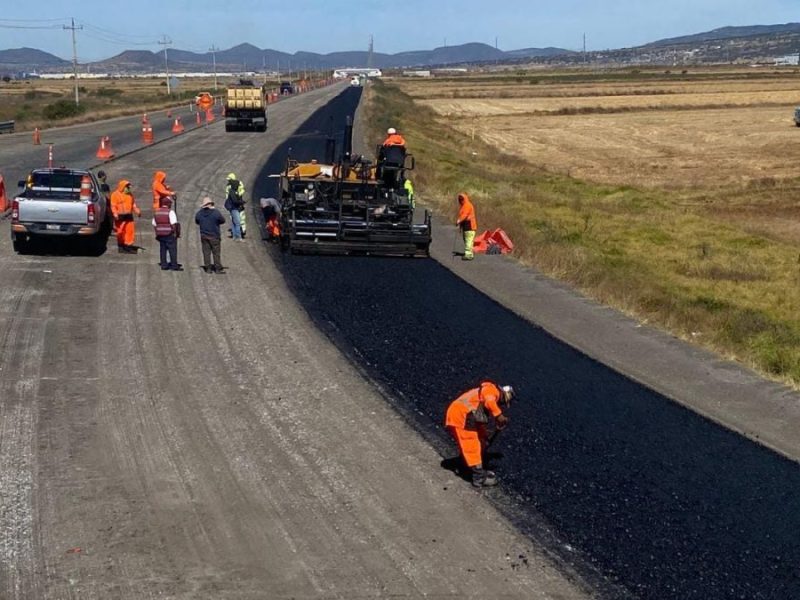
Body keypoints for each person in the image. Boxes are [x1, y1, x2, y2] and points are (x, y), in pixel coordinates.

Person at [445, 382, 514, 487]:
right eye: (505, 402)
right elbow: (489, 402)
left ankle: (464, 463)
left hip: (464, 415)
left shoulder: (484, 395)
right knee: (472, 446)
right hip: (461, 416)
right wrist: (499, 416)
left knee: (481, 440)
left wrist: (485, 436)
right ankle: (479, 477)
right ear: (506, 395)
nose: (503, 404)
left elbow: (478, 418)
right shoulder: (492, 390)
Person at [195, 196, 226, 273]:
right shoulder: (216, 213)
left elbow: (197, 221)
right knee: (216, 253)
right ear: (210, 204)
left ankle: (208, 268)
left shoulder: (199, 213)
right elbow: (222, 220)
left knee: (206, 252)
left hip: (204, 236)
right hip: (214, 236)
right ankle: (217, 268)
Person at [110, 179, 141, 253]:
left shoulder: (130, 195)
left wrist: (137, 211)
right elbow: (113, 206)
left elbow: (133, 205)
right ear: (123, 187)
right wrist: (115, 214)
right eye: (127, 187)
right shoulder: (115, 195)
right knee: (120, 232)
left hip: (129, 216)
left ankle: (128, 246)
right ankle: (121, 247)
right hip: (120, 217)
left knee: (130, 231)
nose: (129, 189)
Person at [152, 196, 182, 271]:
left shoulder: (157, 212)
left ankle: (164, 265)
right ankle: (174, 265)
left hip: (160, 234)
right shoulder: (170, 212)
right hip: (169, 234)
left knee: (163, 250)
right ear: (168, 204)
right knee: (172, 250)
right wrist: (175, 233)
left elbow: (154, 223)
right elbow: (173, 223)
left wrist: (157, 232)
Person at [224, 173, 246, 241]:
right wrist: (241, 201)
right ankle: (238, 237)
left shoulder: (238, 184)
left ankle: (236, 235)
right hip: (234, 207)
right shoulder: (231, 189)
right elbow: (234, 200)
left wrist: (239, 195)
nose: (228, 181)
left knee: (235, 222)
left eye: (229, 179)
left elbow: (242, 190)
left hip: (234, 206)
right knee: (237, 222)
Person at [456, 192, 477, 261]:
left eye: (461, 199)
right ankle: (470, 253)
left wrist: (459, 221)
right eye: (459, 199)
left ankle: (468, 255)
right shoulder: (464, 205)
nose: (460, 200)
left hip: (470, 226)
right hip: (466, 226)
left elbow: (464, 215)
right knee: (467, 240)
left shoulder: (467, 205)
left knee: (468, 240)